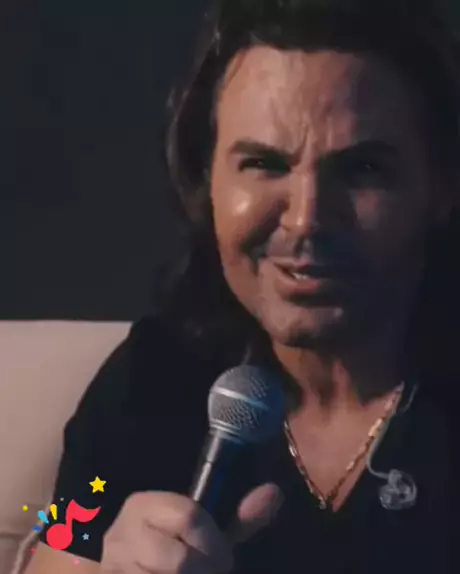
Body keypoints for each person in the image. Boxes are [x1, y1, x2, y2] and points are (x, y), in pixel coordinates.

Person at [24, 0, 460, 572]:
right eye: (264, 164)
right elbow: (60, 537)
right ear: (207, 181)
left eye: (363, 169)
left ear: (441, 188)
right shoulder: (155, 378)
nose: (305, 220)